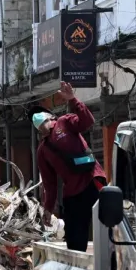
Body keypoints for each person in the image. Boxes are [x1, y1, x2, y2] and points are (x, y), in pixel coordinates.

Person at [35, 82, 108, 251]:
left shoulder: (64, 122)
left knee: (100, 230)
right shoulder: (43, 149)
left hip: (91, 182)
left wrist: (73, 100)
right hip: (82, 187)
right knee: (80, 235)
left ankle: (108, 261)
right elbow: (50, 184)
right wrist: (48, 209)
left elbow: (87, 121)